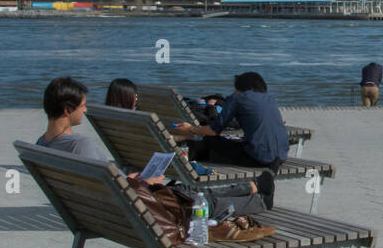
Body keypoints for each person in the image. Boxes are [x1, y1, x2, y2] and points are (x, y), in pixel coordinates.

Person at [36, 76, 271, 213]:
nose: (85, 110)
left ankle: (254, 188)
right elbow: (113, 191)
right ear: (68, 110)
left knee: (189, 191)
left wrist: (134, 178)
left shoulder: (42, 144)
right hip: (134, 207)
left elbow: (106, 184)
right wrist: (145, 181)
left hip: (100, 209)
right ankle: (256, 195)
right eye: (82, 106)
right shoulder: (79, 145)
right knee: (195, 195)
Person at [172, 72, 287, 204]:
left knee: (210, 141)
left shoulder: (237, 98)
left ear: (239, 89)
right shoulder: (270, 99)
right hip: (281, 155)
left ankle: (183, 157)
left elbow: (213, 131)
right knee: (228, 142)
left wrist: (190, 129)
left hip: (259, 157)